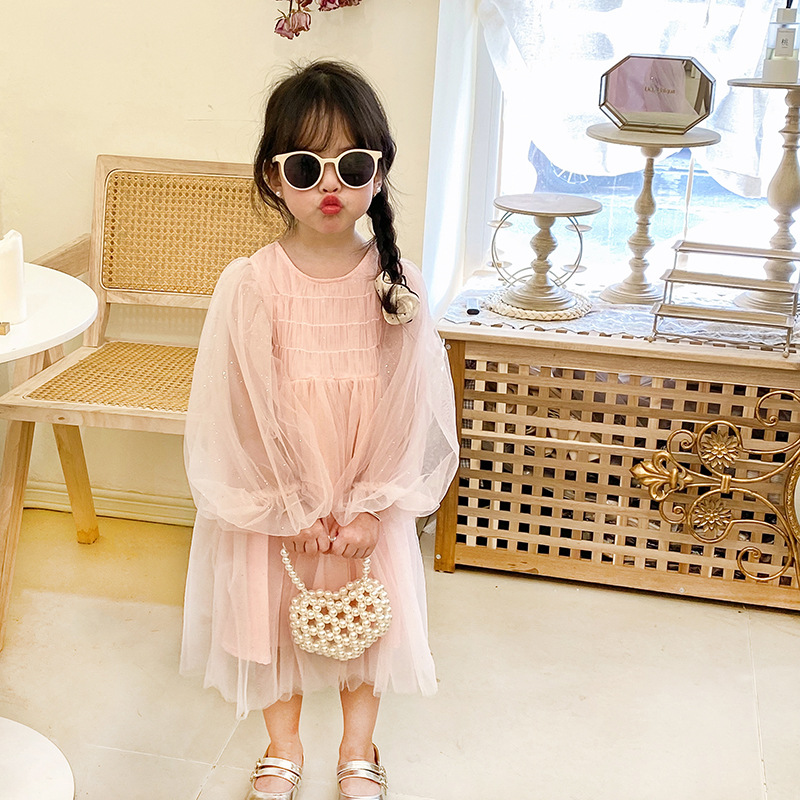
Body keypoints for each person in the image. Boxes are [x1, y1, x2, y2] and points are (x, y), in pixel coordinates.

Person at [180, 60, 459, 800]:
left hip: (364, 489)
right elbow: (238, 409)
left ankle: (358, 750)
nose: (329, 185)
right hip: (278, 496)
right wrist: (285, 503)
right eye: (306, 167)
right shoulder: (251, 283)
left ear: (380, 171)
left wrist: (373, 507)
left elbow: (413, 406)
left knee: (366, 617)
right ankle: (283, 745)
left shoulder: (397, 284)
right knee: (273, 619)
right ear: (275, 178)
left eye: (351, 164)